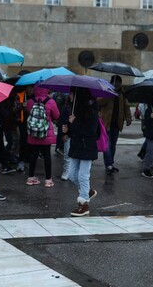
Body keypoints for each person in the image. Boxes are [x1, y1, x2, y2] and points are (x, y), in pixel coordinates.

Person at [61, 88, 99, 216]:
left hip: (87, 147)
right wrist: (67, 129)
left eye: (71, 93)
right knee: (71, 175)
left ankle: (84, 205)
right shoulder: (74, 109)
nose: (69, 96)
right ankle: (87, 190)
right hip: (76, 146)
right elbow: (75, 131)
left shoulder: (92, 110)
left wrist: (75, 122)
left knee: (83, 175)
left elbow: (91, 131)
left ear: (79, 95)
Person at [25, 83, 59, 188]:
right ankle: (48, 180)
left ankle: (31, 178)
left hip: (34, 132)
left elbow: (29, 113)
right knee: (47, 156)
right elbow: (56, 115)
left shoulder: (30, 102)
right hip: (46, 133)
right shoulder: (51, 101)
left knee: (33, 155)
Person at [97, 75, 132, 174]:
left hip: (117, 123)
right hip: (106, 123)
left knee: (113, 145)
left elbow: (126, 107)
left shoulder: (122, 94)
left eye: (118, 83)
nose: (117, 85)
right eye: (115, 83)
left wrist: (128, 117)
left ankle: (110, 163)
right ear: (111, 83)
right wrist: (108, 94)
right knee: (107, 145)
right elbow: (98, 102)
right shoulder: (106, 91)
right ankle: (108, 165)